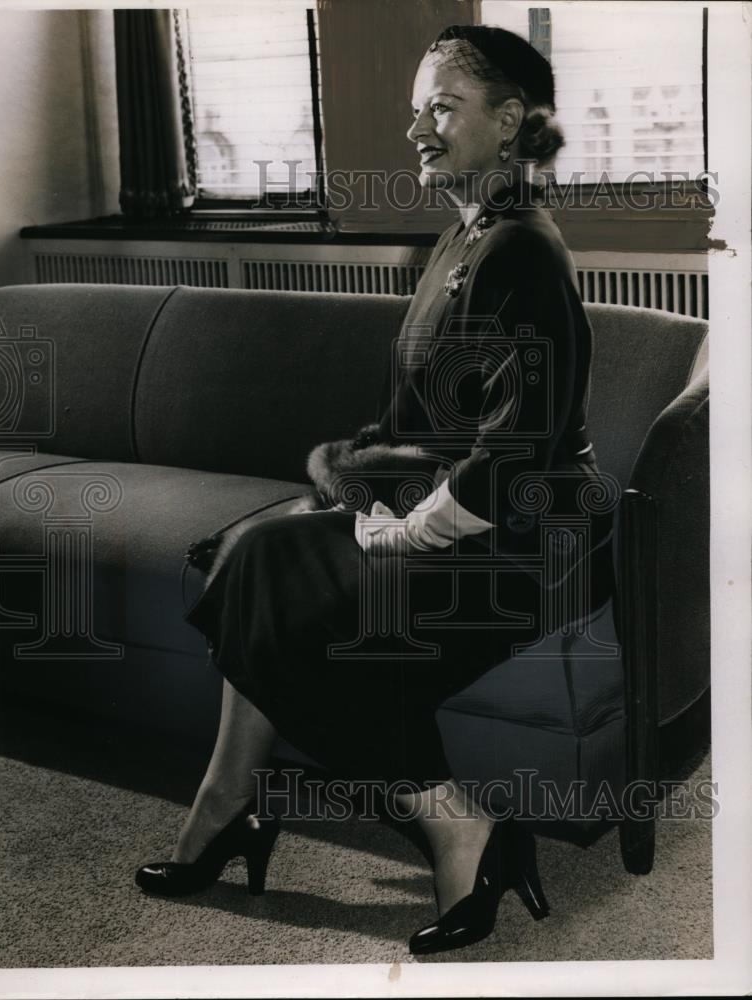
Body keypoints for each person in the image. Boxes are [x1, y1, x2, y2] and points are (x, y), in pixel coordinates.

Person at [135, 24, 616, 956]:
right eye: (416, 112)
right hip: (468, 522)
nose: (419, 132)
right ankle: (244, 800)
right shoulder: (460, 237)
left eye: (443, 107)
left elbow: (517, 449)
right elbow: (420, 419)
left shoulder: (523, 249)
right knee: (256, 555)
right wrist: (357, 477)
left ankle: (427, 818)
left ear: (510, 122)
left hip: (524, 549)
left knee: (261, 560)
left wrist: (404, 533)